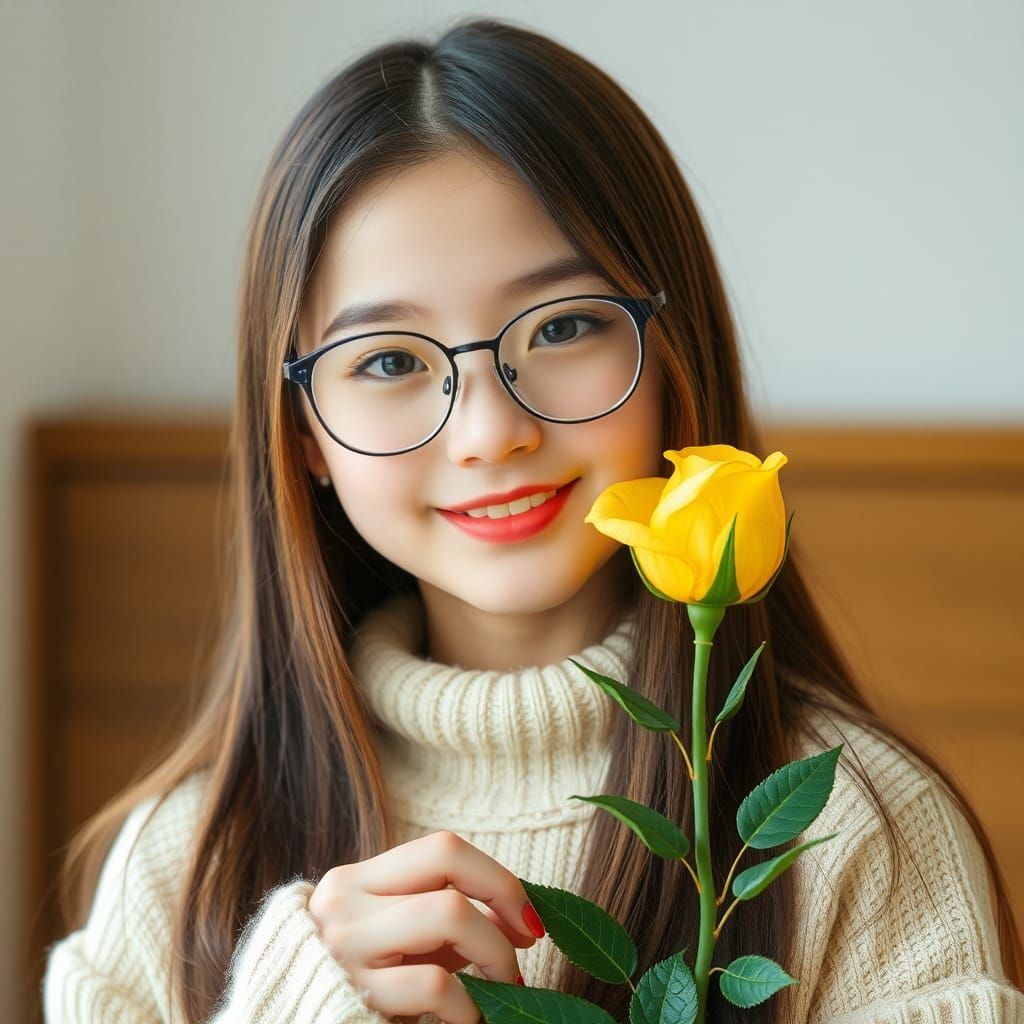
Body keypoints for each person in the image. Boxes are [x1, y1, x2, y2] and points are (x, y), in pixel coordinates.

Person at [42, 16, 1023, 1024]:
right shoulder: (184, 869)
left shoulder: (853, 834)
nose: (488, 430)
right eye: (387, 359)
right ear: (302, 433)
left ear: (671, 350)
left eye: (561, 326)